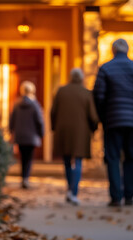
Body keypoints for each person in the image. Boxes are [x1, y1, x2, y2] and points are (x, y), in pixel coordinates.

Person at [93, 39, 133, 207]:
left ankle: (116, 196)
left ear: (113, 51)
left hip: (112, 121)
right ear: (127, 50)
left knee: (112, 158)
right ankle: (130, 195)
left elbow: (99, 96)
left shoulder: (105, 68)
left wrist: (103, 117)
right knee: (130, 158)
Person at [51, 68, 99, 205]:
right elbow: (93, 116)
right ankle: (74, 191)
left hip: (63, 131)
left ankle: (69, 189)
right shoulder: (86, 93)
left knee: (67, 161)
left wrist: (54, 127)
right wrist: (93, 129)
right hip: (80, 132)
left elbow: (53, 112)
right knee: (78, 161)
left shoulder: (61, 91)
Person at [9, 81, 44, 189]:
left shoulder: (16, 104)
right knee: (29, 158)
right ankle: (26, 178)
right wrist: (41, 133)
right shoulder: (35, 105)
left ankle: (23, 177)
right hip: (31, 136)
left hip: (20, 136)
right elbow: (39, 120)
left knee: (23, 157)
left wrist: (11, 131)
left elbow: (12, 120)